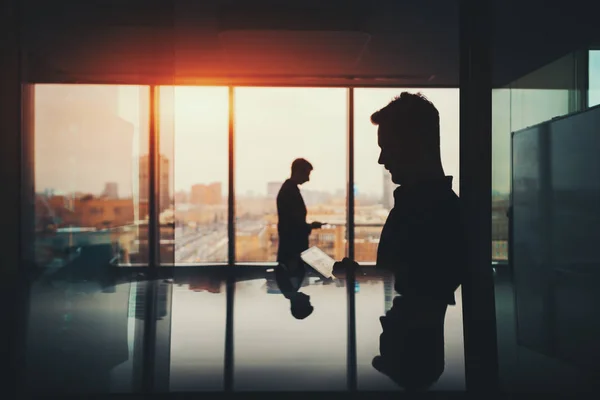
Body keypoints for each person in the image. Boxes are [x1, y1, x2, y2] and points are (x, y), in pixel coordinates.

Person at [337, 92, 466, 387]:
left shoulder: (426, 211)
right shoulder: (433, 207)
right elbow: (416, 278)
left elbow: (417, 284)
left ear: (414, 145)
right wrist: (365, 274)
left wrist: (367, 275)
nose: (382, 159)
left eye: (387, 148)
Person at [276, 158, 324, 266]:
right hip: (292, 251)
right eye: (307, 174)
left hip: (290, 250)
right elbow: (293, 225)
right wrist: (309, 226)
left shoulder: (288, 190)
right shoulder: (290, 192)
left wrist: (309, 226)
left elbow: (292, 222)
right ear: (298, 172)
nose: (308, 179)